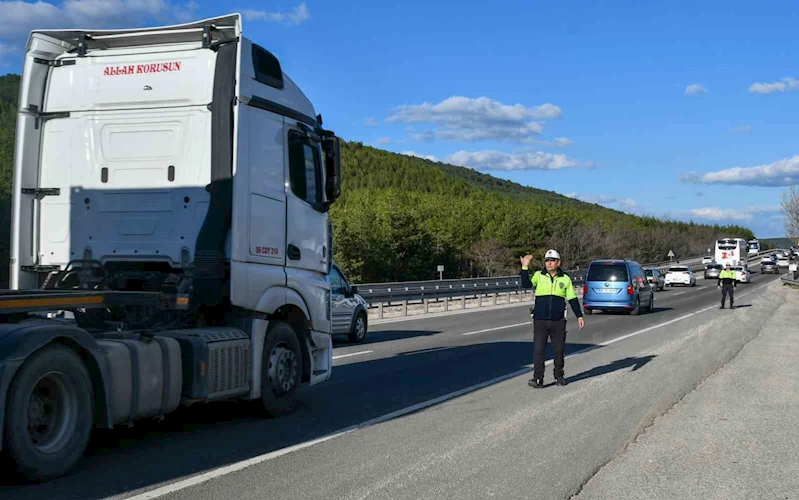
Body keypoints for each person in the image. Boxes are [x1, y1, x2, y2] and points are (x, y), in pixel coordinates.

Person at [520, 249, 585, 388]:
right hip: (540, 320)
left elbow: (572, 298)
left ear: (558, 262)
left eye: (552, 261)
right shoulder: (539, 275)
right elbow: (526, 284)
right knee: (539, 350)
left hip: (558, 321)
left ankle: (559, 376)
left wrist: (579, 315)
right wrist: (524, 267)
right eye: (547, 261)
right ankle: (538, 378)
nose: (549, 263)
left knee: (559, 350)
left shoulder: (565, 278)